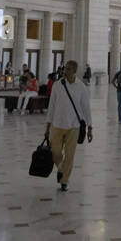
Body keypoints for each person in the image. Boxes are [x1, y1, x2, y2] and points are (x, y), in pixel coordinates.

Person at [44, 60, 92, 192]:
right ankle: (60, 168)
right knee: (55, 152)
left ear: (75, 71)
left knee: (70, 155)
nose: (66, 71)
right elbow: (51, 106)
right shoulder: (57, 85)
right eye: (65, 68)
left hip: (74, 126)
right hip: (57, 125)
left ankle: (64, 181)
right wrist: (48, 126)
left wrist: (90, 127)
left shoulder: (81, 87)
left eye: (69, 69)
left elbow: (86, 108)